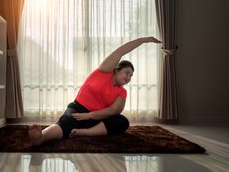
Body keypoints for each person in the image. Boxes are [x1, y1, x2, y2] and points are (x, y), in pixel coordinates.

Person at [29, 36, 161, 146]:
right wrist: (144, 40)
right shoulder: (104, 71)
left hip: (98, 118)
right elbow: (121, 51)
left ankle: (85, 132)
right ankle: (41, 137)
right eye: (127, 72)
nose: (128, 77)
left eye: (131, 76)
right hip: (78, 110)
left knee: (122, 122)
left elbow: (113, 111)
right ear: (116, 69)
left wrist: (90, 115)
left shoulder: (122, 92)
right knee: (65, 123)